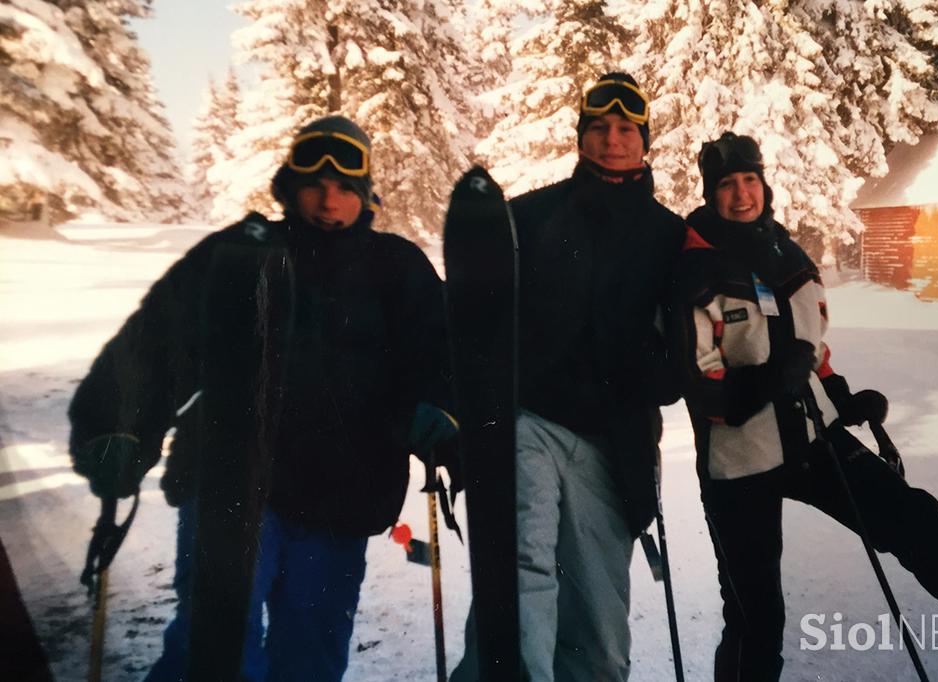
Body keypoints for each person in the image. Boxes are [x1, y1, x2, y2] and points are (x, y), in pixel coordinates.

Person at [67, 115, 457, 682]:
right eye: (315, 185)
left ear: (366, 193)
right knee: (214, 655)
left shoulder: (396, 267)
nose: (329, 200)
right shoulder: (240, 253)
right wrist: (117, 426)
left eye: (345, 186)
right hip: (230, 490)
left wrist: (442, 415)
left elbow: (442, 359)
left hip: (342, 498)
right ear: (288, 185)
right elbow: (155, 344)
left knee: (311, 660)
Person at [670, 131, 938, 680]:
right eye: (726, 185)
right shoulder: (696, 272)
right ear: (710, 194)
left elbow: (813, 346)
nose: (742, 194)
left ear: (763, 184)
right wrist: (769, 381)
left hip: (815, 440)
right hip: (740, 464)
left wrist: (840, 393)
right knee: (755, 617)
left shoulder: (785, 253)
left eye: (749, 180)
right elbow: (702, 384)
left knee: (921, 526)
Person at [451, 72, 685, 682]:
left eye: (626, 129)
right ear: (580, 137)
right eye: (599, 128)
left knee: (599, 625)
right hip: (531, 423)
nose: (612, 139)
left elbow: (686, 346)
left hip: (617, 442)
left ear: (644, 139)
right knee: (521, 572)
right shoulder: (527, 217)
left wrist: (654, 373)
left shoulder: (668, 235)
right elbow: (477, 321)